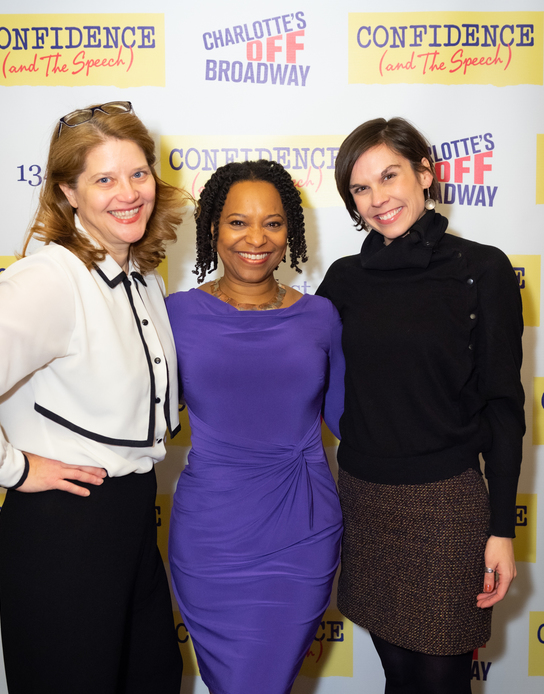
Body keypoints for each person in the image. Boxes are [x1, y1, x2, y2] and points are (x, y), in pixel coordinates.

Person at [0, 101, 184, 694]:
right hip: (64, 529)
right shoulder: (52, 278)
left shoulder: (144, 277)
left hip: (130, 521)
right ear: (67, 192)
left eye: (137, 173)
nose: (128, 193)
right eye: (103, 179)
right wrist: (11, 468)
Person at [317, 117, 525, 694]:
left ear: (425, 174)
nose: (378, 199)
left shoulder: (481, 269)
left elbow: (505, 408)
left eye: (390, 176)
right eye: (361, 188)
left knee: (440, 682)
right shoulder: (343, 279)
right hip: (363, 499)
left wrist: (502, 529)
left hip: (446, 507)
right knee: (399, 678)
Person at [166, 160, 344, 694]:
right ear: (213, 230)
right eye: (237, 222)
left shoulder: (321, 316)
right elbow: (136, 410)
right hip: (211, 536)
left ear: (290, 229)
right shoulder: (176, 314)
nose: (256, 238)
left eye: (273, 222)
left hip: (303, 528)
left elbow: (348, 420)